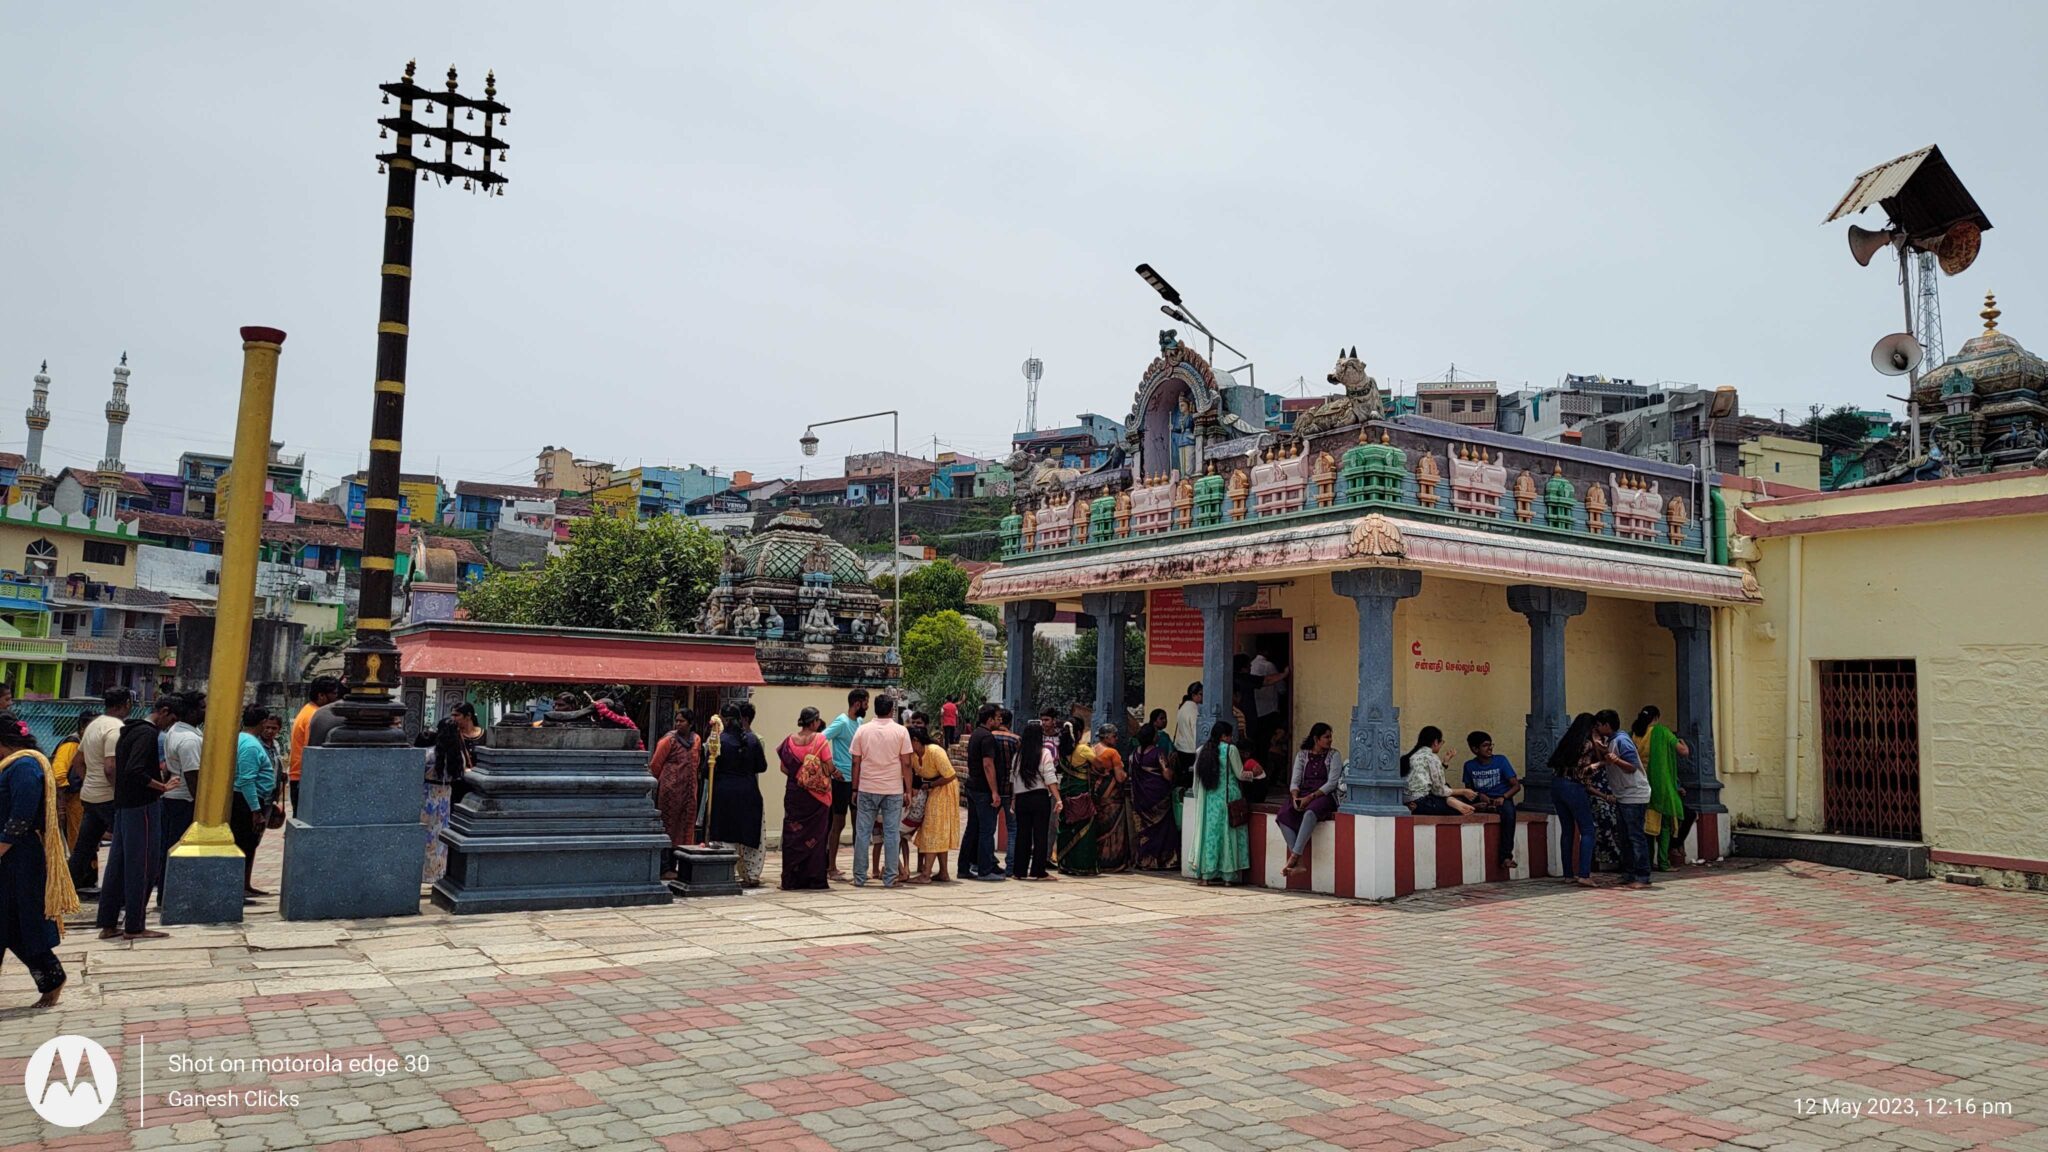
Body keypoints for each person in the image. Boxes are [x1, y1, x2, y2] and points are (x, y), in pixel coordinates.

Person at [0, 715, 77, 1007]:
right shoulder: (10, 765)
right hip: (10, 857)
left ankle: (52, 978)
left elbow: (20, 817)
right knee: (10, 925)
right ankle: (51, 978)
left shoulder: (24, 766)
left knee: (22, 922)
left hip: (18, 858)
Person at [96, 695, 177, 940]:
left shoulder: (128, 730)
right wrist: (161, 786)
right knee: (142, 865)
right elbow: (134, 770)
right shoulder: (147, 734)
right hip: (141, 805)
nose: (170, 725)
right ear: (163, 712)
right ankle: (134, 924)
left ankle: (109, 922)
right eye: (171, 719)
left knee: (118, 865)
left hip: (124, 805)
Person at [69, 688, 131, 893]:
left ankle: (68, 888)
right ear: (127, 704)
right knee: (125, 844)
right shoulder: (116, 728)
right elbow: (110, 767)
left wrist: (89, 781)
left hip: (90, 795)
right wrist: (118, 790)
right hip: (108, 797)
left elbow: (78, 762)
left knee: (84, 846)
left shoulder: (94, 725)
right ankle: (118, 891)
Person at [849, 693, 913, 888]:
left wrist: (854, 788)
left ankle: (859, 876)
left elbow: (855, 762)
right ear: (892, 710)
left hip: (867, 787)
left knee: (862, 833)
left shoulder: (862, 730)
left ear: (875, 709)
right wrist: (908, 790)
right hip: (892, 788)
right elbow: (907, 763)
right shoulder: (901, 732)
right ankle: (890, 877)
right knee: (892, 833)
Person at [706, 702, 769, 887]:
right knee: (750, 834)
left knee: (726, 834)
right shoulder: (752, 739)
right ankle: (751, 875)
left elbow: (706, 771)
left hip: (724, 793)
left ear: (723, 720)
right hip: (749, 791)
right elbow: (762, 767)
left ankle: (726, 872)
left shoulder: (718, 741)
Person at [1191, 720, 1259, 885]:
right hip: (1228, 799)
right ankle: (1228, 877)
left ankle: (1207, 875)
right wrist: (1254, 773)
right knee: (1228, 835)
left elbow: (1196, 781)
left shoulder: (1202, 750)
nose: (1231, 739)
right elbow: (1240, 774)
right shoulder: (1230, 750)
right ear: (1224, 736)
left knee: (1211, 836)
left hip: (1209, 802)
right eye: (1229, 735)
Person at [425, 703, 482, 885]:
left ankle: (424, 872)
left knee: (426, 835)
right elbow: (462, 772)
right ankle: (439, 871)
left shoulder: (429, 754)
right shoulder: (458, 755)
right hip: (447, 794)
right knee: (442, 835)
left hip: (427, 795)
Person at [777, 707, 834, 890]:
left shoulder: (788, 741)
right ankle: (814, 878)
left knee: (793, 834)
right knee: (816, 836)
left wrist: (800, 774)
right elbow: (829, 765)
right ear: (815, 721)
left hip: (795, 793)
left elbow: (784, 769)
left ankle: (791, 878)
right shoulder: (820, 739)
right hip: (817, 797)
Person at [1597, 709, 1654, 889]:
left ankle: (1642, 875)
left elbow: (1632, 767)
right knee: (1625, 837)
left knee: (1635, 836)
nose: (1598, 728)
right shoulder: (1612, 741)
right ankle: (1629, 873)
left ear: (1607, 725)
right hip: (1624, 794)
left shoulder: (1622, 741)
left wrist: (1615, 760)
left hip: (1634, 794)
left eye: (1599, 725)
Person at [1278, 722, 1341, 877]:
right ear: (1316, 738)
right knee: (1283, 815)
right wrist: (1295, 797)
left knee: (1310, 813)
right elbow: (1295, 780)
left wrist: (1310, 797)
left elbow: (1332, 783)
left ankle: (1294, 856)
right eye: (1326, 737)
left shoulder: (1334, 755)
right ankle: (1299, 862)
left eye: (1330, 736)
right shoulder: (1302, 755)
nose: (1330, 740)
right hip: (1303, 792)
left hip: (1324, 795)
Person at [1632, 706, 1691, 870]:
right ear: (1656, 718)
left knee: (1648, 826)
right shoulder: (1662, 732)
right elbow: (1683, 751)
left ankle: (1648, 862)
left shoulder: (1635, 734)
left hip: (1641, 783)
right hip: (1661, 785)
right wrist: (1684, 744)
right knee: (1665, 825)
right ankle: (1664, 862)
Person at [157, 693, 203, 902]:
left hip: (174, 799)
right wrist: (201, 809)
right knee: (178, 848)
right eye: (202, 708)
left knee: (170, 847)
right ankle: (171, 895)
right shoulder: (189, 740)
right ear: (192, 711)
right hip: (183, 800)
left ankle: (166, 894)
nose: (206, 712)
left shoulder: (174, 731)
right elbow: (193, 776)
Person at [1548, 713, 1601, 887]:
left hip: (1557, 784)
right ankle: (1584, 874)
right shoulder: (1586, 744)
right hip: (1573, 786)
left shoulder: (1567, 742)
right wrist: (1601, 763)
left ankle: (1568, 873)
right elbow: (1582, 772)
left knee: (1568, 829)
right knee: (1587, 830)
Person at [821, 689, 868, 881]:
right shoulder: (841, 722)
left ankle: (859, 867)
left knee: (859, 824)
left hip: (856, 780)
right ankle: (830, 866)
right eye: (865, 703)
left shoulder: (859, 722)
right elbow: (821, 740)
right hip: (840, 781)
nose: (867, 707)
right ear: (857, 703)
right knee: (838, 823)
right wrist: (832, 768)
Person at [648, 710, 703, 868]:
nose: (678, 724)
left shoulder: (696, 740)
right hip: (670, 792)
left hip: (689, 791)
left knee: (686, 826)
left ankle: (682, 863)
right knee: (668, 825)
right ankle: (665, 866)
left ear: (690, 723)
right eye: (677, 721)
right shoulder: (668, 740)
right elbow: (655, 765)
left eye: (682, 721)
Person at [1008, 719, 1061, 880]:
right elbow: (1050, 778)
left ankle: (1019, 871)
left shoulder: (1018, 756)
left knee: (1022, 834)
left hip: (1022, 799)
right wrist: (1058, 798)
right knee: (1040, 835)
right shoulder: (1044, 753)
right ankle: (1038, 870)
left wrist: (1014, 799)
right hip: (1039, 797)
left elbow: (1014, 779)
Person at [1462, 731, 1523, 871]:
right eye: (1485, 746)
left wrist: (1504, 797)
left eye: (1491, 745)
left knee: (1509, 815)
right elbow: (1469, 790)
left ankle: (1506, 857)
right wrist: (1479, 795)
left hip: (1503, 798)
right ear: (1474, 749)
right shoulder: (1469, 766)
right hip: (1483, 800)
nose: (1490, 748)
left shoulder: (1501, 760)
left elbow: (1516, 785)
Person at [959, 704, 1006, 881]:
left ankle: (964, 866)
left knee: (972, 828)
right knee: (987, 830)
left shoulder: (975, 735)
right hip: (983, 790)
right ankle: (985, 869)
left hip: (972, 786)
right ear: (990, 719)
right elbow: (988, 764)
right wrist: (994, 791)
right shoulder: (987, 737)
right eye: (997, 717)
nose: (999, 720)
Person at [910, 720, 959, 883]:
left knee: (933, 827)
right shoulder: (913, 756)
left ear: (916, 741)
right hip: (931, 788)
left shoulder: (935, 751)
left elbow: (950, 775)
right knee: (939, 830)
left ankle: (926, 873)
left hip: (944, 787)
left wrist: (929, 785)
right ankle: (943, 872)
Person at [1129, 709, 1178, 871]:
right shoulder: (1158, 753)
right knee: (1163, 830)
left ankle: (1144, 860)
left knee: (1145, 832)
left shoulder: (1134, 754)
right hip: (1158, 799)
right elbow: (1167, 775)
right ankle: (1164, 860)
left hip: (1141, 799)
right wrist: (1171, 764)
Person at [290, 677, 343, 814]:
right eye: (334, 694)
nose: (337, 698)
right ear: (321, 695)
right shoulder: (315, 716)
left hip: (300, 775)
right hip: (304, 777)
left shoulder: (308, 710)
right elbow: (312, 748)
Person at [1056, 714, 1098, 877]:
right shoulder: (1083, 749)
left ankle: (1065, 862)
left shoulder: (1061, 750)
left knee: (1067, 827)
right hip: (1082, 793)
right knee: (1085, 828)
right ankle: (1082, 865)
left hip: (1066, 791)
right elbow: (1099, 764)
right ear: (1079, 732)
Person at [1401, 727, 1478, 816]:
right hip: (1421, 801)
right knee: (1458, 810)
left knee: (1449, 791)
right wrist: (1463, 791)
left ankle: (1449, 800)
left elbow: (1427, 777)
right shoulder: (1431, 757)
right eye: (1442, 742)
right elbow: (1439, 790)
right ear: (1436, 742)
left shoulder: (1411, 756)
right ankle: (1449, 800)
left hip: (1406, 801)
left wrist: (1445, 763)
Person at [1091, 723, 1134, 874]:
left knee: (1100, 826)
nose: (1116, 739)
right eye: (1114, 736)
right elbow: (1120, 777)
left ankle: (1098, 859)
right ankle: (1112, 861)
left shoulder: (1093, 749)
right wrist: (1127, 774)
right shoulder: (1112, 753)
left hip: (1097, 792)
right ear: (1107, 736)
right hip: (1112, 794)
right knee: (1114, 828)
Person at [50, 711, 93, 854]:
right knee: (76, 841)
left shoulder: (85, 744)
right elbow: (58, 774)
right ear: (83, 727)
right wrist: (61, 805)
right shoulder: (71, 744)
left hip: (79, 798)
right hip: (71, 800)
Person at [1248, 646, 1289, 752]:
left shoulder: (1251, 665)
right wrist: (1285, 674)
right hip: (1268, 710)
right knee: (1266, 741)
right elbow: (1281, 689)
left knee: (1256, 742)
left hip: (1254, 711)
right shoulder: (1269, 666)